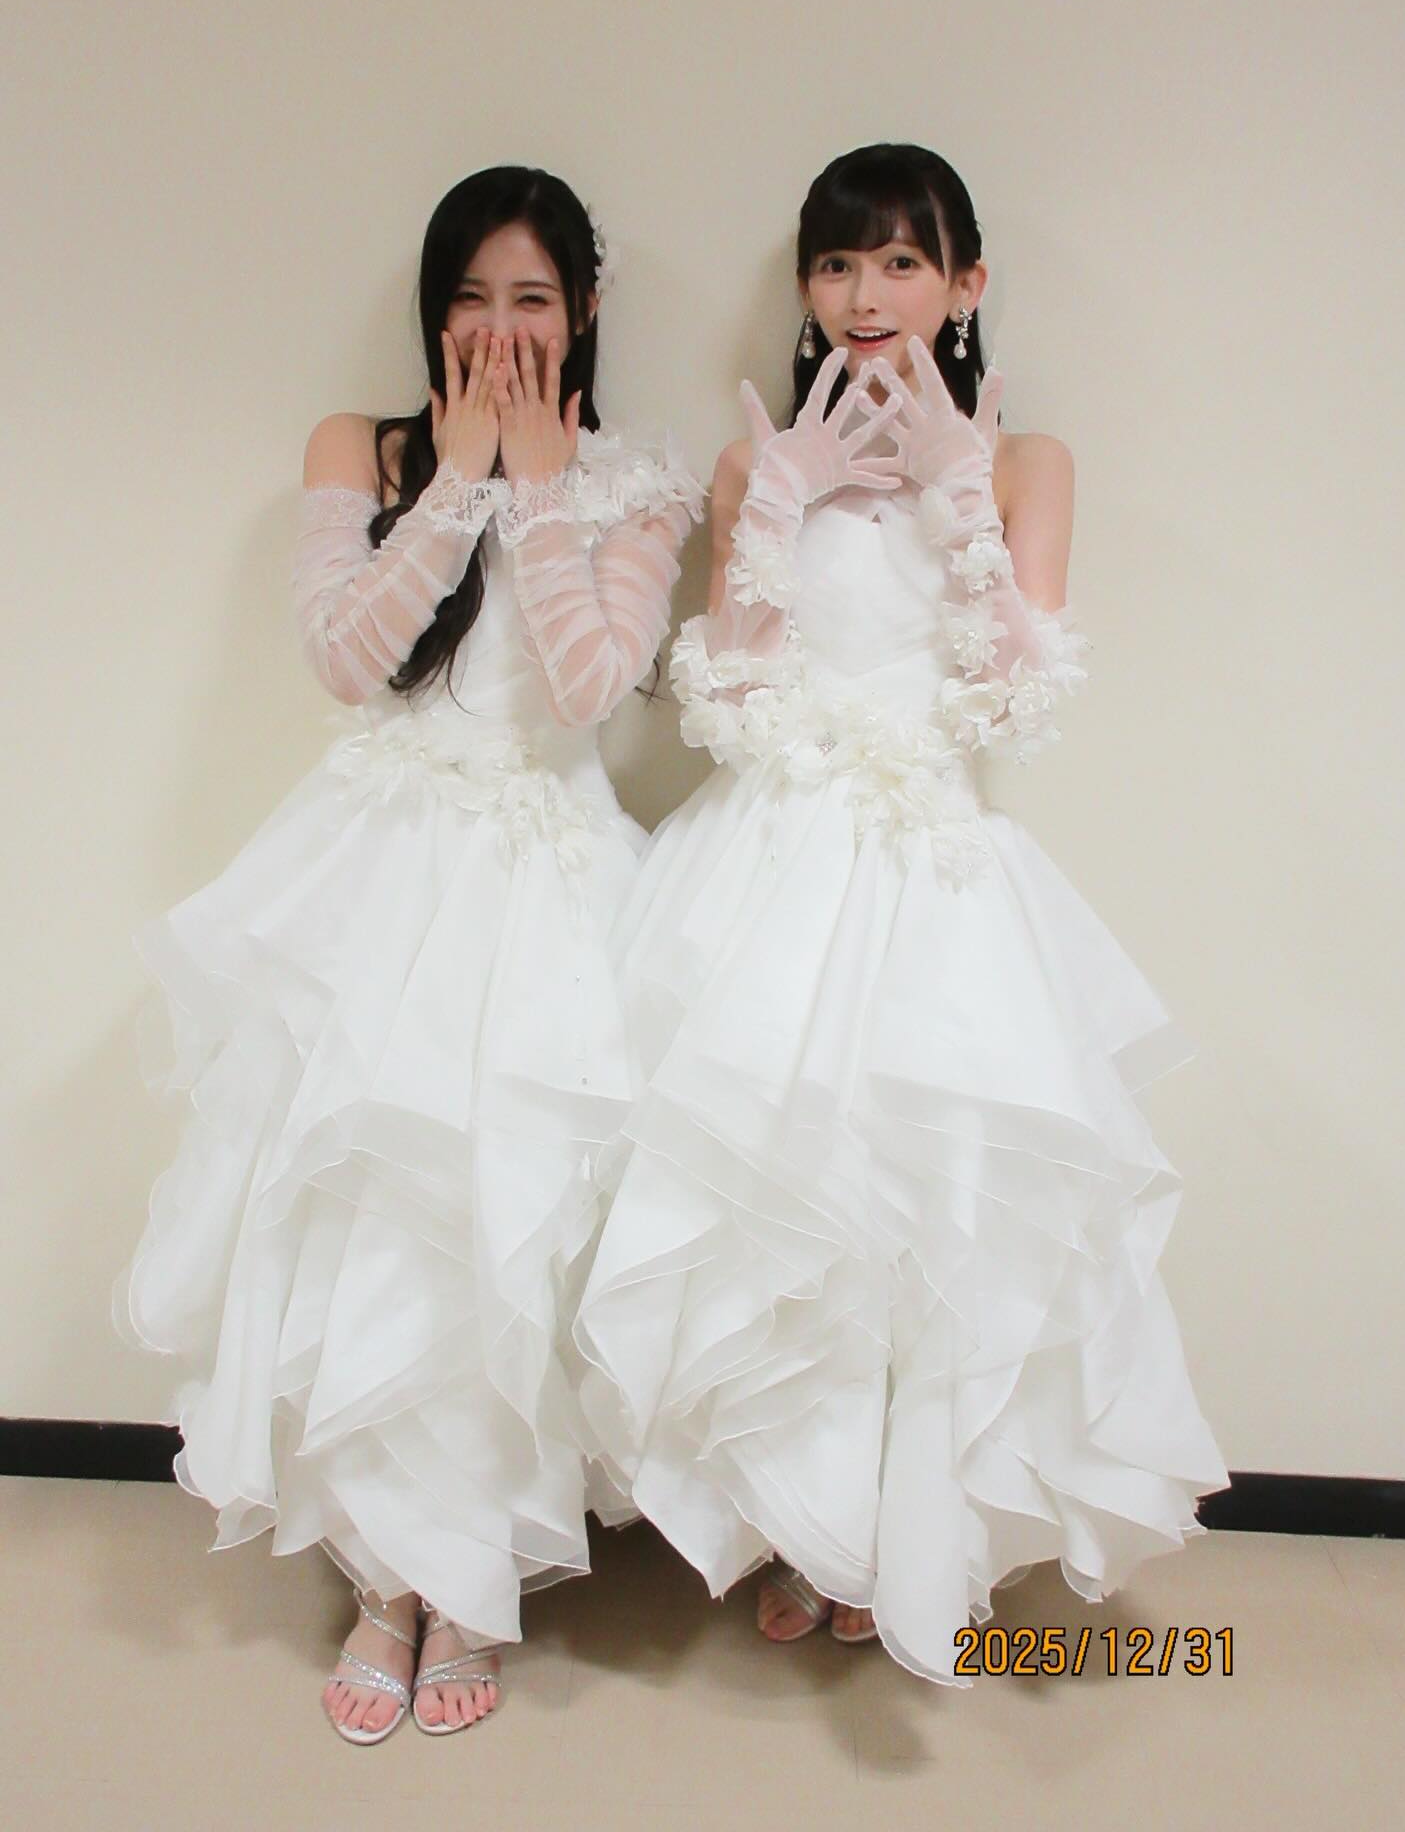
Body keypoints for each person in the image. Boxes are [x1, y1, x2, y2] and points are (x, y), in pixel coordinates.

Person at [574, 143, 1228, 1685]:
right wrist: (778, 503)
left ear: (965, 283)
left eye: (901, 262)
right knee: (782, 1205)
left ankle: (902, 1533)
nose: (865, 295)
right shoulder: (754, 458)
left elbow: (1015, 699)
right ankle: (803, 1528)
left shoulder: (1028, 460)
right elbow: (726, 702)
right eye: (838, 262)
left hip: (934, 869)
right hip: (768, 863)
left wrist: (956, 491)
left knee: (927, 1210)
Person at [115, 166, 703, 1741]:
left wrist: (543, 489)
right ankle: (388, 1582)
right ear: (434, 310)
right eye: (473, 298)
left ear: (585, 309)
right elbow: (344, 658)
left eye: (534, 300)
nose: (501, 330)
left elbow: (590, 691)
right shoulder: (358, 451)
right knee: (381, 1229)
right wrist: (455, 485)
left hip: (555, 885)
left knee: (509, 1239)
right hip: (382, 880)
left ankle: (473, 1579)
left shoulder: (641, 480)